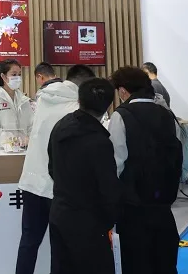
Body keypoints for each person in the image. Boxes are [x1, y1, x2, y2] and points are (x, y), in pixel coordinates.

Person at [15, 65, 95, 274]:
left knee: (29, 242)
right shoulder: (77, 108)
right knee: (60, 246)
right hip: (60, 187)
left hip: (32, 181)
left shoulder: (43, 98)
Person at [109, 67, 182, 274]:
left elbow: (116, 162)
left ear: (123, 91)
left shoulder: (121, 116)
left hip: (133, 205)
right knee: (164, 259)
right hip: (164, 202)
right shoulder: (167, 115)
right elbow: (177, 153)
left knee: (135, 261)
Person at [47, 77, 121, 274]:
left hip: (60, 212)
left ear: (79, 100)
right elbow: (108, 187)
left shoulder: (61, 126)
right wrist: (111, 218)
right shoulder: (100, 141)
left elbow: (52, 168)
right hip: (90, 220)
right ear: (109, 105)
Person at [0, 59, 34, 147]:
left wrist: (29, 139)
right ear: (3, 76)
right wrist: (12, 141)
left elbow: (31, 125)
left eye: (19, 74)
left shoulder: (24, 100)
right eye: (14, 74)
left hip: (24, 150)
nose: (18, 78)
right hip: (2, 150)